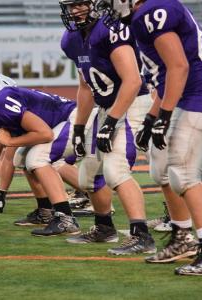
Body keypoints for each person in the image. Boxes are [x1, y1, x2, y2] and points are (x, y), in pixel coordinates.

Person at [100, 0, 202, 275]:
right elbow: (163, 77)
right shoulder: (145, 16)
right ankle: (183, 237)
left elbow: (179, 67)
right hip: (181, 98)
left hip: (198, 98)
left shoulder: (150, 12)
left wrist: (165, 116)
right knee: (162, 171)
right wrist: (151, 117)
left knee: (184, 176)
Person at [0, 66, 106, 236]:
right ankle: (45, 211)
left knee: (36, 158)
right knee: (21, 157)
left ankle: (66, 219)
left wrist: (11, 141)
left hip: (77, 118)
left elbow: (45, 134)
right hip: (61, 124)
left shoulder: (2, 101)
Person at [58, 0, 156, 254]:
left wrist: (112, 121)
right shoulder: (71, 40)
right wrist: (79, 127)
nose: (75, 10)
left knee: (116, 170)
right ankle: (104, 228)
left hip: (132, 104)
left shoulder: (110, 29)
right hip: (105, 110)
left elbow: (133, 81)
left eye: (80, 4)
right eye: (70, 6)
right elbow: (85, 87)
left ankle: (141, 236)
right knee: (88, 177)